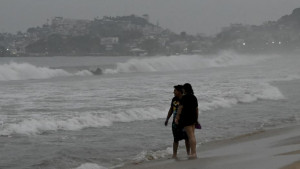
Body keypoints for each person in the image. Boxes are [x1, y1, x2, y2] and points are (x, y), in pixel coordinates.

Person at [165, 85, 190, 158]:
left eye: (175, 90)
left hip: (185, 122)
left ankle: (188, 153)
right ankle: (174, 155)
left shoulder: (185, 99)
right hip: (175, 123)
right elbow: (171, 109)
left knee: (187, 138)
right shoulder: (174, 99)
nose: (173, 92)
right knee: (175, 139)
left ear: (179, 91)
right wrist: (167, 119)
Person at [175, 83, 199, 159]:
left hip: (186, 118)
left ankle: (193, 153)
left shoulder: (184, 98)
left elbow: (180, 108)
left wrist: (177, 118)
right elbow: (196, 109)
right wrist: (196, 119)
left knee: (190, 136)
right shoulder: (194, 97)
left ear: (185, 89)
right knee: (192, 136)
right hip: (193, 118)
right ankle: (193, 152)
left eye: (183, 89)